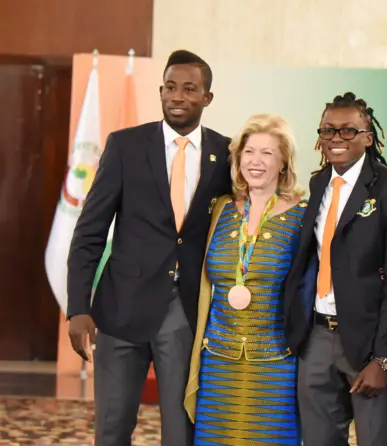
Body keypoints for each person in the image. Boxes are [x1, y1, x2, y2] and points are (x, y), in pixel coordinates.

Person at [66, 50, 232, 446]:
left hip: (186, 313)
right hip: (122, 308)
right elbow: (89, 232)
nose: (177, 96)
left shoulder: (226, 154)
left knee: (181, 432)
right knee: (111, 428)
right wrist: (78, 308)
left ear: (207, 98)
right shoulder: (125, 145)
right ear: (160, 91)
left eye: (189, 89)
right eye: (170, 87)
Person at [284, 92, 387, 446]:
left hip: (368, 343)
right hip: (317, 337)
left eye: (347, 131)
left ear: (367, 137)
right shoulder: (317, 184)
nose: (335, 139)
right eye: (328, 130)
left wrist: (385, 358)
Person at [184, 113, 305, 445]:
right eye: (249, 152)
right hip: (217, 360)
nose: (256, 161)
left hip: (275, 363)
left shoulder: (301, 217)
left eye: (267, 153)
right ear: (237, 160)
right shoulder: (219, 210)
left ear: (283, 162)